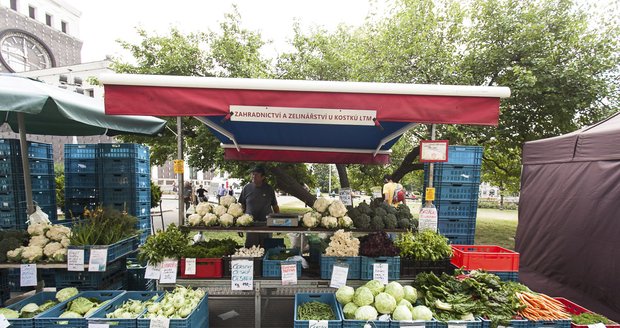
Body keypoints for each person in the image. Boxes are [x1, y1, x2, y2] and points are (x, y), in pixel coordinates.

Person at [239, 165, 279, 248]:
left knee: (266, 249)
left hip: (266, 224)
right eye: (252, 174)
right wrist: (240, 224)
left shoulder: (269, 189)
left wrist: (279, 223)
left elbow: (275, 206)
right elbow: (242, 206)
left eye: (256, 174)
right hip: (250, 225)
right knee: (251, 250)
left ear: (263, 177)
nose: (253, 176)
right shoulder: (246, 188)